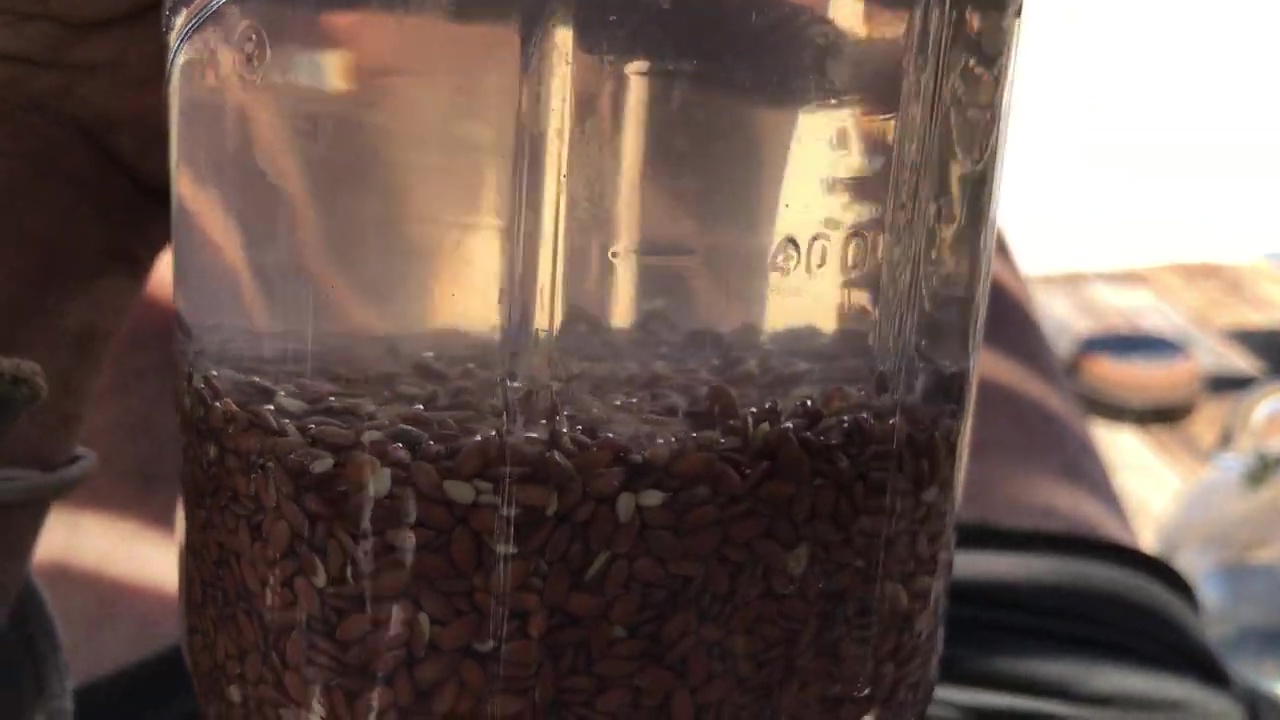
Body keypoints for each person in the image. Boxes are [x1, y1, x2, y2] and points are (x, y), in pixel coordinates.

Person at [2, 2, 1278, 719]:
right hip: (1000, 653)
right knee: (885, 175)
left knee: (284, 190)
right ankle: (698, 107)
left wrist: (46, 133)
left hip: (336, 660)